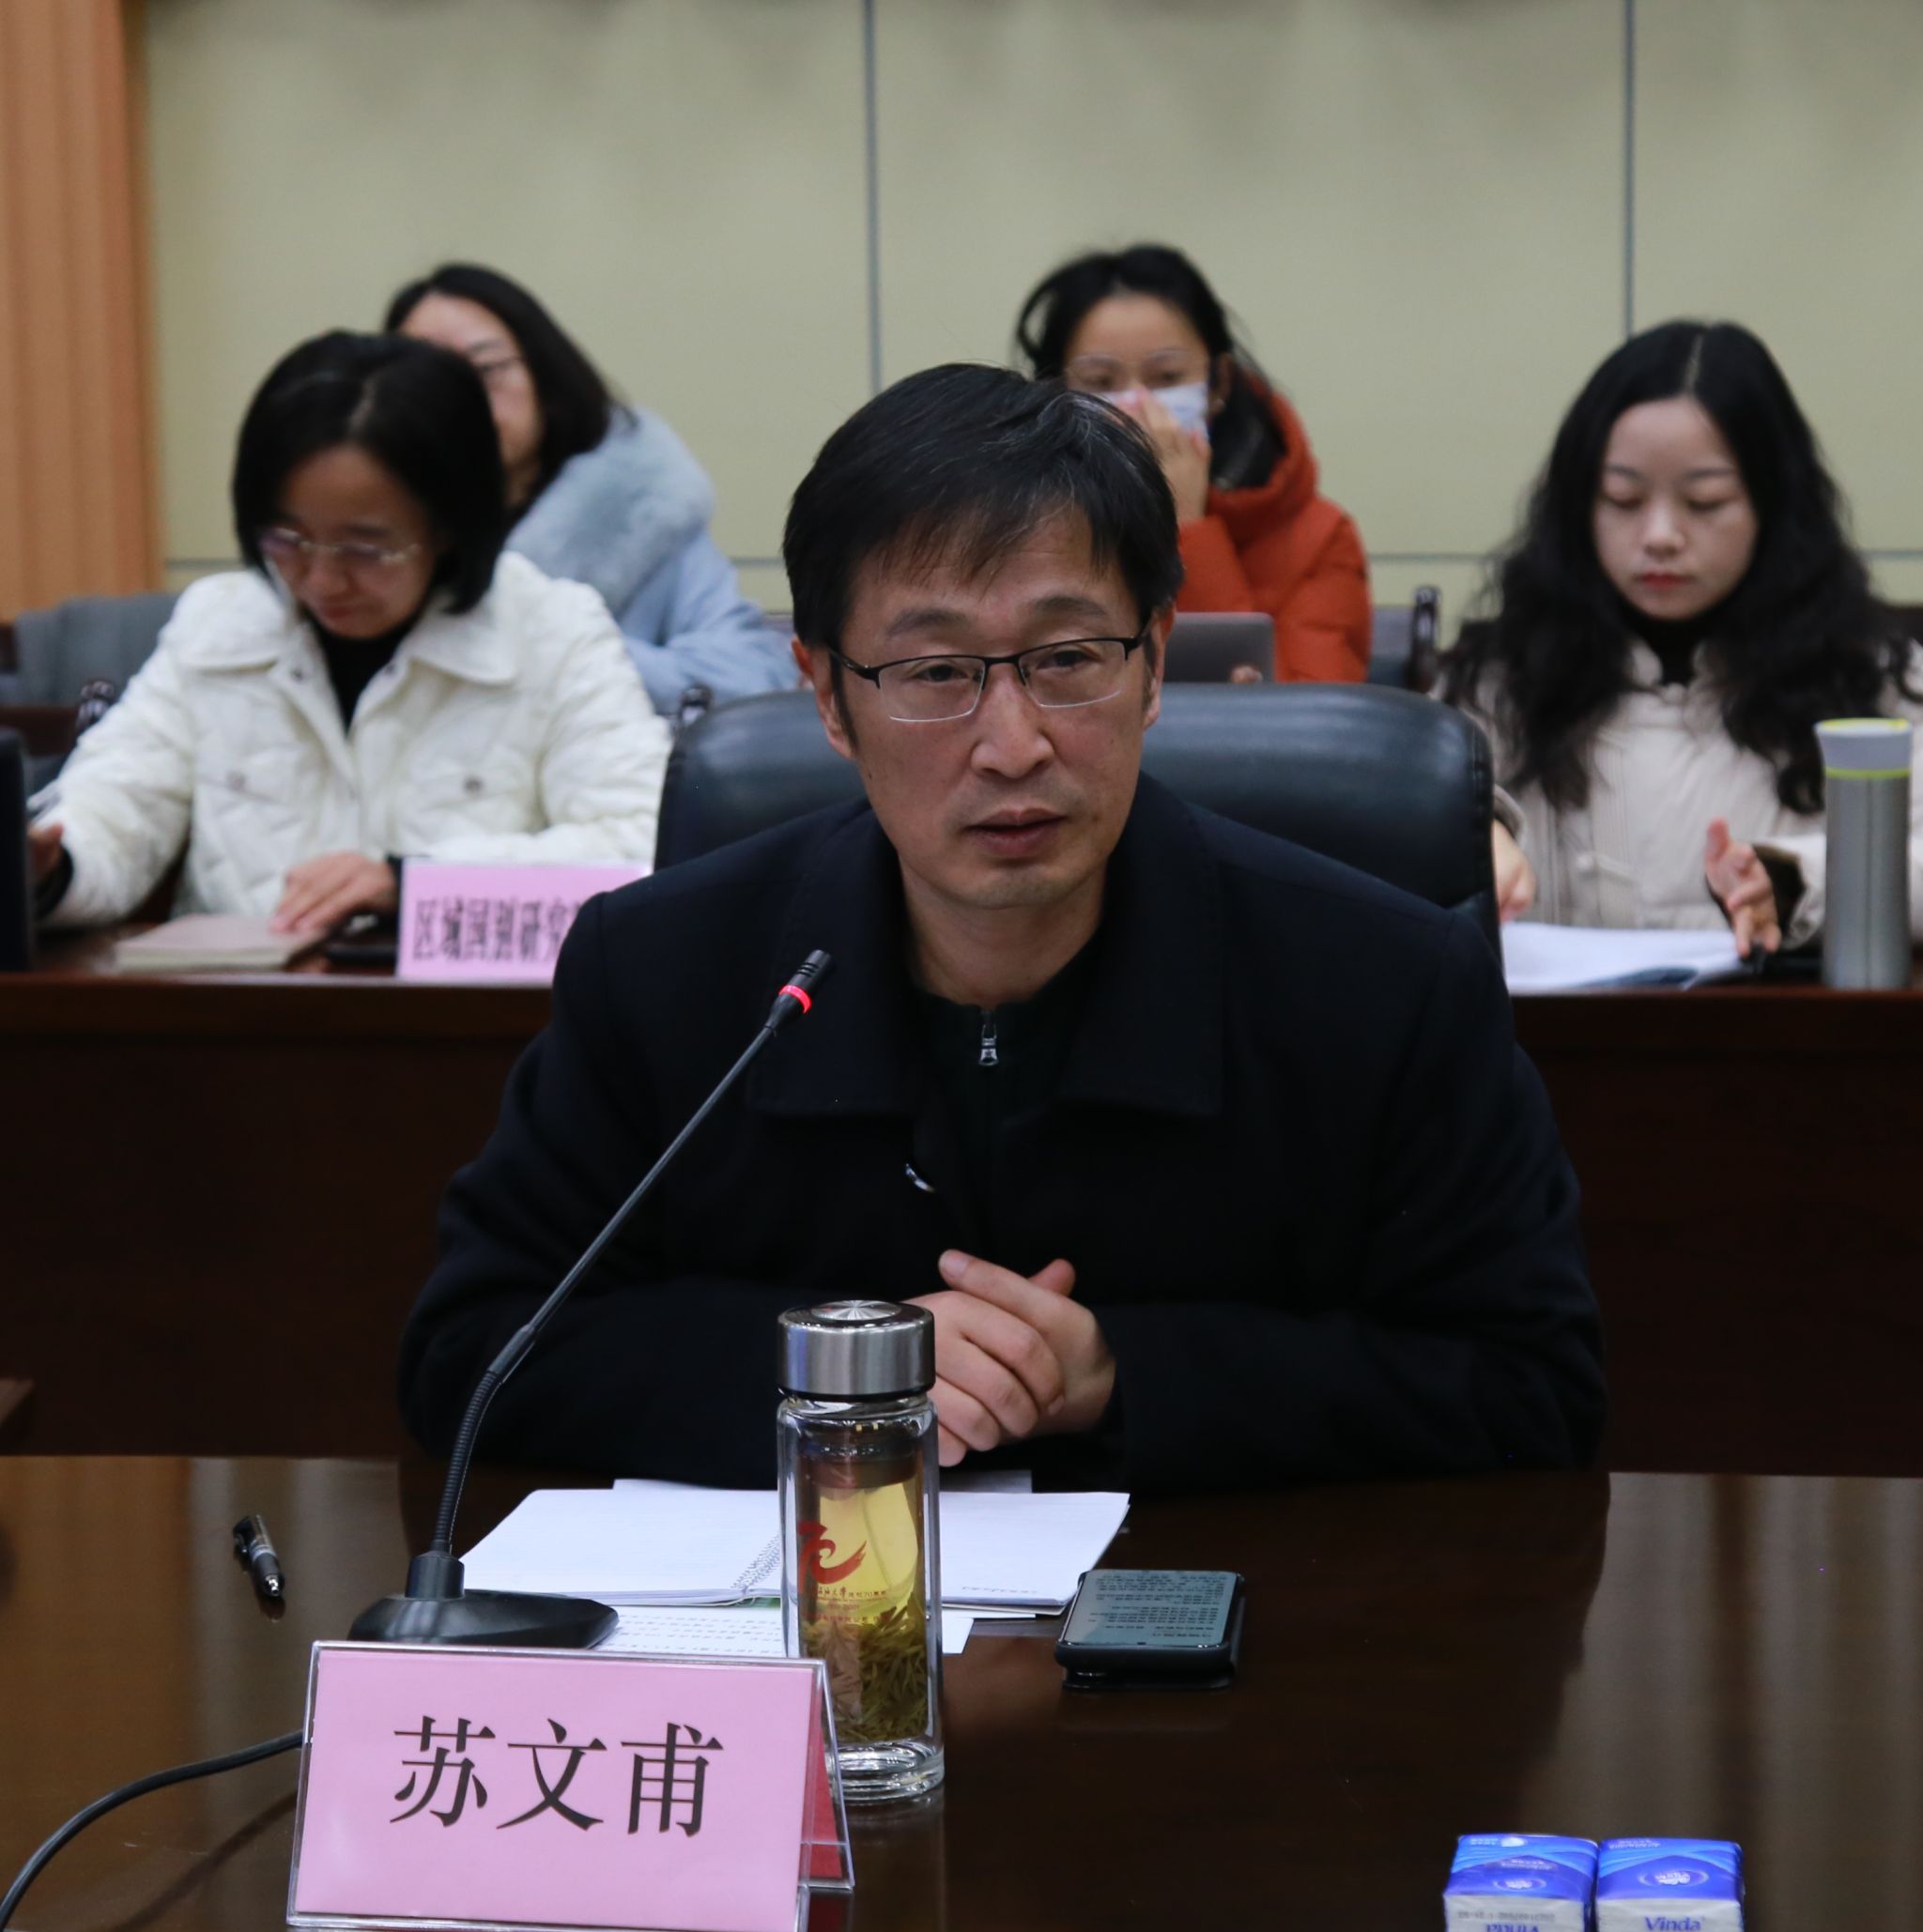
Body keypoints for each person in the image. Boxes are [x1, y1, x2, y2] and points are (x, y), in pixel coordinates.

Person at [398, 362, 1601, 1493]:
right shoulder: (662, 969)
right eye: (935, 673)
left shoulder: (1382, 984)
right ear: (826, 697)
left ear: (1153, 664)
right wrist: (848, 1369)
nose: (1012, 744)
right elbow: (471, 1350)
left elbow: (1534, 1387)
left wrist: (1120, 1377)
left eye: (1067, 659)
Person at [28, 331, 669, 931]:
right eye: (289, 539)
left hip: (466, 1010)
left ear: (450, 526)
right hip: (241, 1002)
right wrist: (50, 868)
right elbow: (119, 802)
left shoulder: (552, 632)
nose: (322, 579)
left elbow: (639, 842)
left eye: (366, 548)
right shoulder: (218, 623)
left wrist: (414, 882)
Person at [1444, 319, 1923, 953]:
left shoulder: (1868, 672)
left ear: (1772, 505)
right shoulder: (1501, 676)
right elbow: (1396, 840)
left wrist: (1797, 881)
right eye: (1623, 499)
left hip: (1790, 1016)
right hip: (1548, 1019)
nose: (1660, 536)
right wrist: (1465, 841)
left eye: (1705, 502)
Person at [386, 263, 793, 715]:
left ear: (543, 375)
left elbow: (753, 675)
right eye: (426, 380)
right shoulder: (371, 523)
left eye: (485, 369)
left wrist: (566, 651)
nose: (460, 401)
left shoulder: (642, 510)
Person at [1015, 243, 1370, 683]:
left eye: (1167, 378)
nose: (1138, 405)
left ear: (1218, 383)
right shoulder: (1020, 527)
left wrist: (1186, 528)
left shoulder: (1320, 539)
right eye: (1100, 381)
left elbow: (1312, 716)